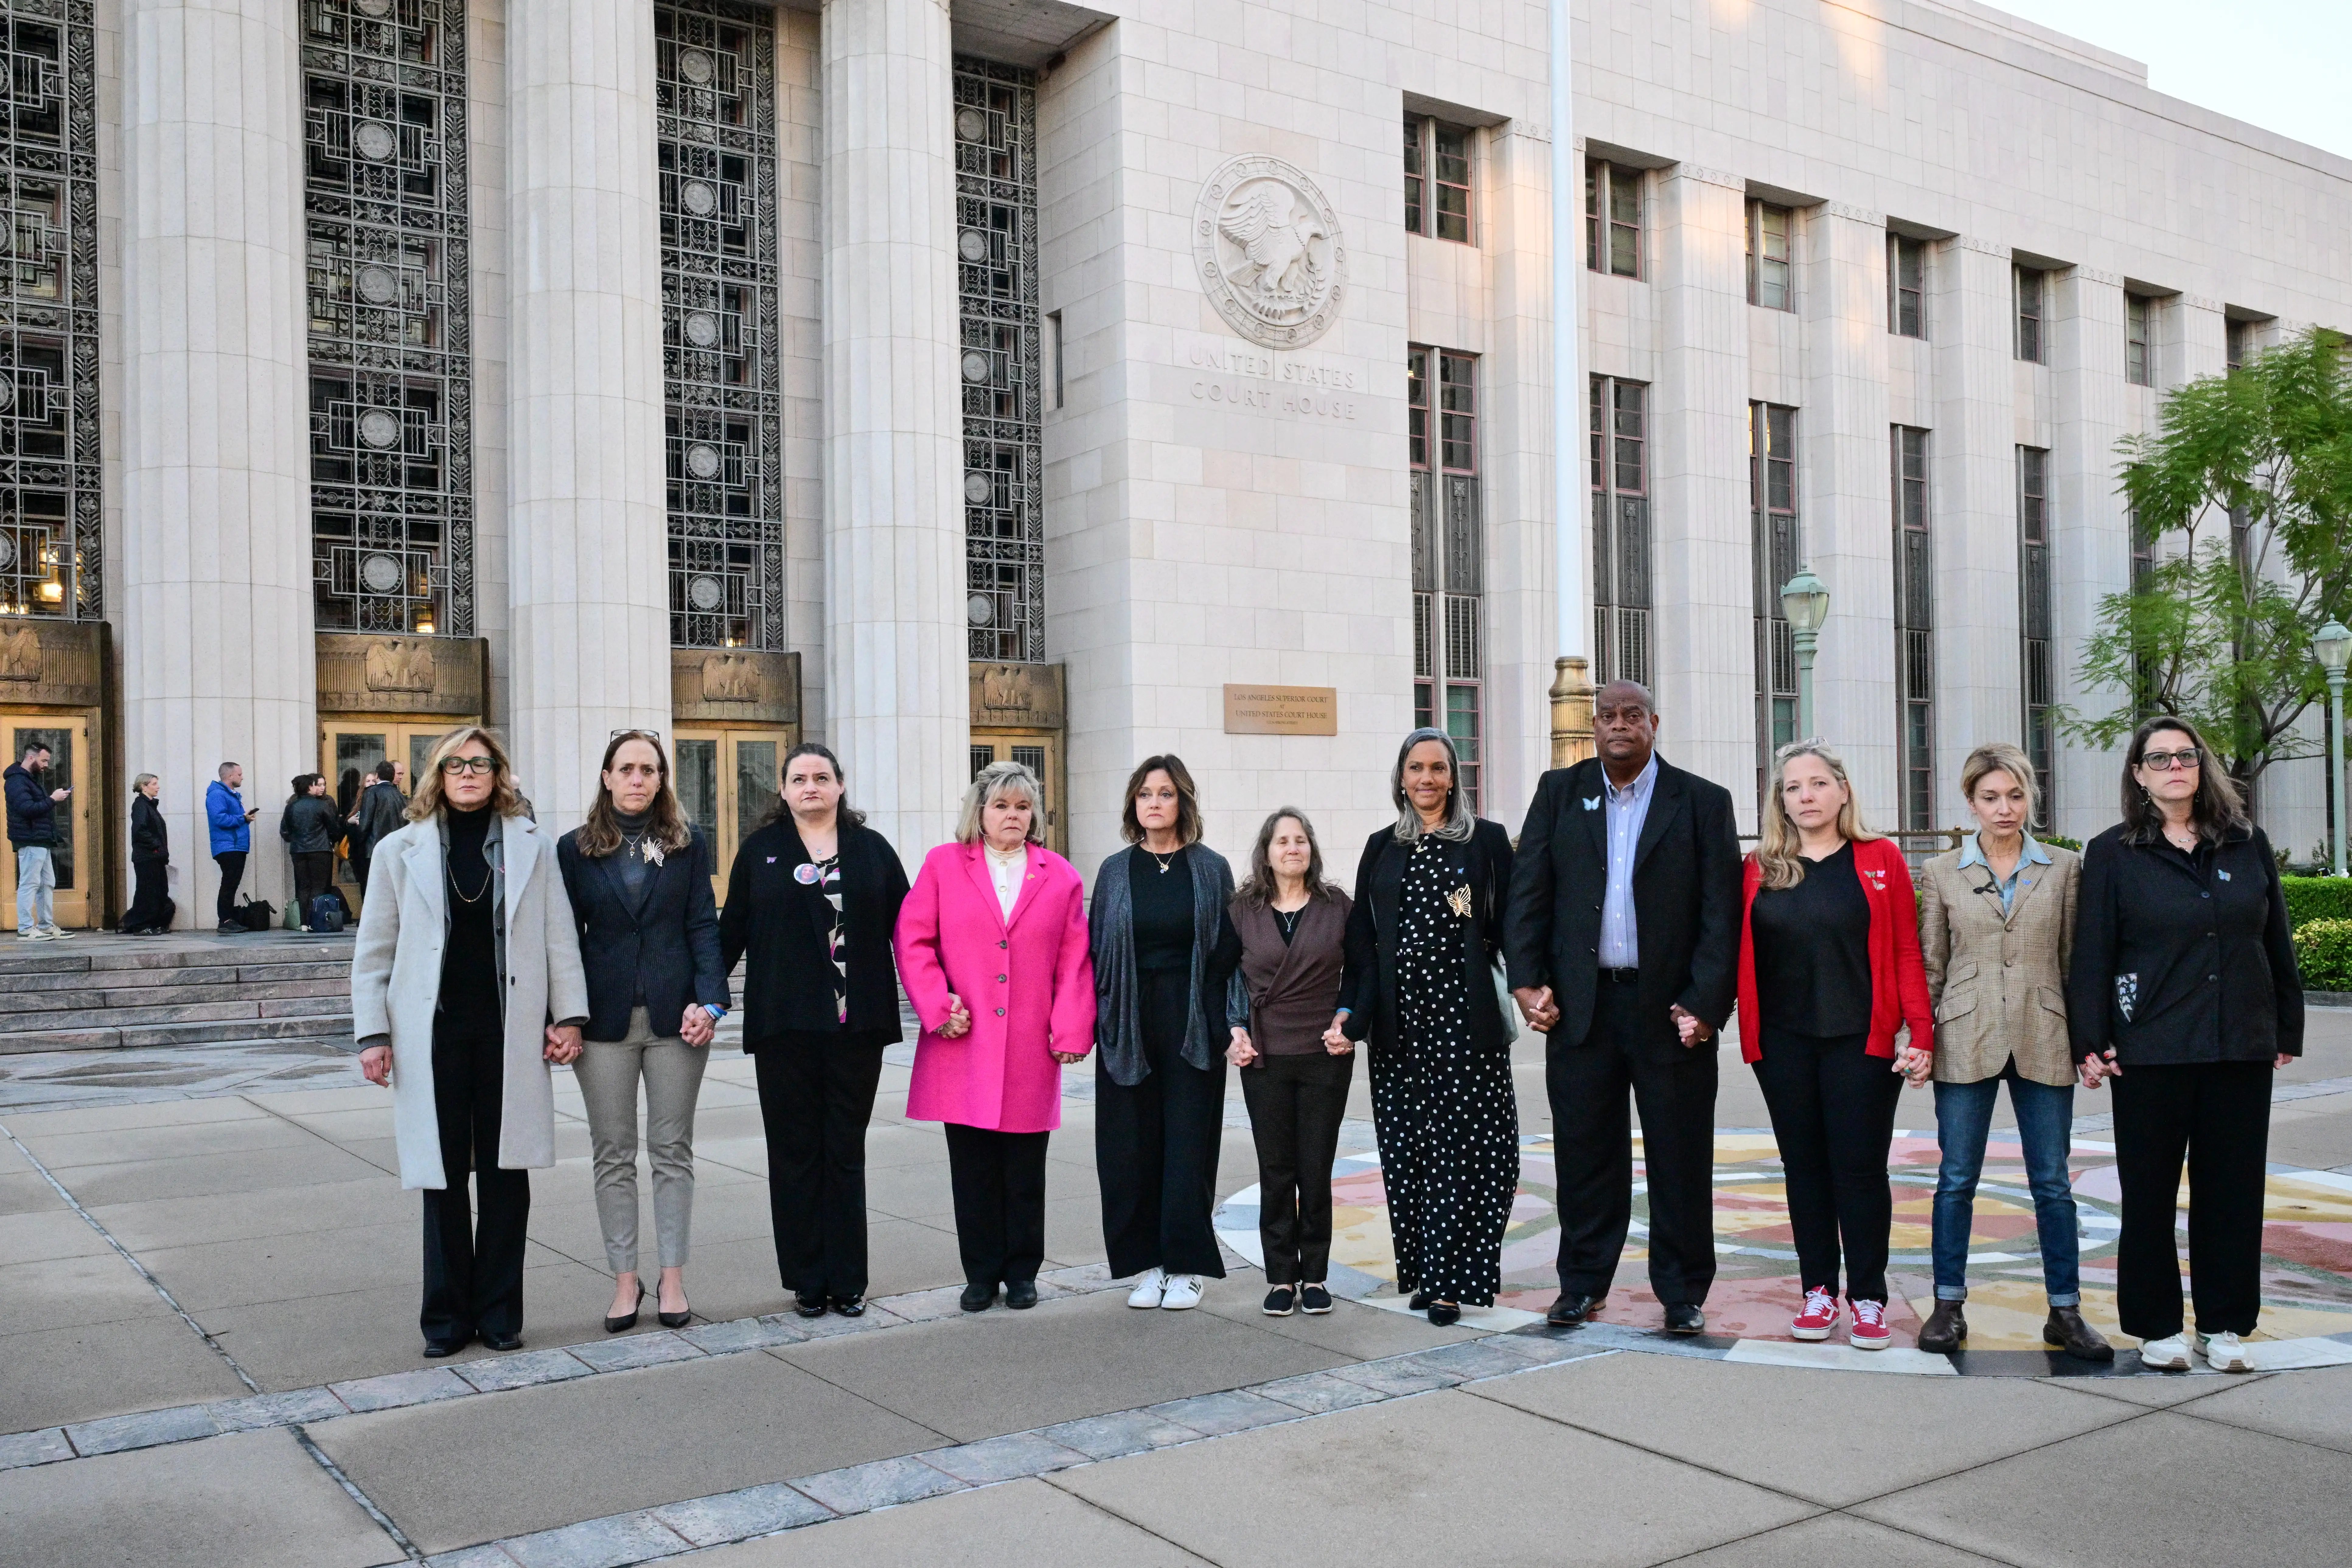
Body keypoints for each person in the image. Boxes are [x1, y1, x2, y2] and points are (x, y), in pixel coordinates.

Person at [1503, 679, 1741, 1334]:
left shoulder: (1700, 802)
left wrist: (1704, 1005)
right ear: (1593, 725)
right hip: (1583, 1012)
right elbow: (1528, 895)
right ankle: (1581, 1284)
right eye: (1606, 716)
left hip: (1671, 1016)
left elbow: (1722, 917)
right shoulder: (1559, 794)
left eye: (1631, 715)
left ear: (1653, 723)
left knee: (1679, 1156)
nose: (1619, 726)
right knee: (1584, 1156)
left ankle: (1682, 1291)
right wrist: (1525, 982)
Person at [2068, 717, 2301, 1374]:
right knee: (2147, 1192)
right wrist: (2090, 1039)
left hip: (2239, 1045)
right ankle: (2157, 1326)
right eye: (2158, 758)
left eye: (2185, 755)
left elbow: (2273, 938)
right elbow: (2092, 953)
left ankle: (2224, 1324)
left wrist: (2284, 1027)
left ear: (2202, 767)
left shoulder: (2244, 844)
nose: (2174, 766)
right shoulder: (2114, 852)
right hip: (2150, 1048)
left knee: (2230, 1190)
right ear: (2138, 776)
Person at [351, 727, 589, 1357]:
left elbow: (559, 938)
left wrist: (569, 1017)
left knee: (508, 1175)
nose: (468, 774)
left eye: (480, 764)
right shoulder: (397, 850)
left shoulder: (532, 848)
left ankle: (500, 1314)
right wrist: (372, 1032)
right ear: (438, 774)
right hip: (432, 1035)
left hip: (509, 1035)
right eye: (456, 764)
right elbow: (374, 950)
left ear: (498, 774)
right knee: (444, 1177)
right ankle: (447, 1320)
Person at [1737, 741, 1935, 1349]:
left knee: (1858, 1171)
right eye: (1793, 788)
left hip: (1861, 1041)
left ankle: (1868, 1297)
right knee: (1805, 1171)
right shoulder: (1759, 868)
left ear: (1842, 790)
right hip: (1782, 1044)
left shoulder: (1880, 860)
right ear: (1781, 802)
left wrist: (1920, 1031)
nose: (1807, 796)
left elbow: (1905, 949)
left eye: (1818, 783)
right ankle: (1817, 1291)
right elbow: (1735, 955)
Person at [1915, 743, 2107, 1360]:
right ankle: (1947, 1304)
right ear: (1970, 803)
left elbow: (2078, 962)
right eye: (1991, 797)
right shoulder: (1941, 873)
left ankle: (2065, 1310)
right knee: (1955, 1178)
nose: (2005, 808)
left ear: (2030, 798)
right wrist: (1917, 1041)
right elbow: (1930, 966)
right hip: (1964, 1036)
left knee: (2051, 1181)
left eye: (2015, 795)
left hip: (2043, 1032)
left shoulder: (2063, 868)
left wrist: (2088, 1044)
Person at [895, 760, 1095, 1313]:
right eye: (1003, 805)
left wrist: (1072, 1027)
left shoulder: (1060, 875)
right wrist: (938, 1007)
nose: (1013, 815)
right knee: (974, 1166)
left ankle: (1023, 1270)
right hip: (965, 1040)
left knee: (1025, 1166)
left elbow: (1075, 961)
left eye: (1023, 806)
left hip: (1031, 1044)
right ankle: (981, 1272)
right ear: (979, 812)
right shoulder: (942, 865)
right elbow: (914, 939)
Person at [720, 742, 909, 1318]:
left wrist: (943, 993)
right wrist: (702, 997)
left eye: (821, 777)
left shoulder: (873, 851)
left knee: (844, 1151)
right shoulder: (761, 852)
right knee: (795, 1152)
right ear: (782, 789)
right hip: (785, 1029)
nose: (810, 786)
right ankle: (807, 1277)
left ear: (840, 785)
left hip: (858, 1026)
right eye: (799, 778)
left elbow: (912, 928)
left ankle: (848, 1278)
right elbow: (730, 933)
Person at [1341, 727, 1517, 1325]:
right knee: (1408, 1154)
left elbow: (1506, 923)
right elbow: (1361, 942)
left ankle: (1451, 1281)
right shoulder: (1380, 847)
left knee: (1469, 1154)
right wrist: (1354, 1015)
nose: (1425, 780)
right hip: (1399, 1029)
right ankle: (1424, 1271)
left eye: (1437, 769)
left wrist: (1532, 985)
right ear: (1400, 777)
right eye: (1415, 768)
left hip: (1465, 1025)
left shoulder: (1484, 843)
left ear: (1453, 776)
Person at [559, 730, 729, 1333]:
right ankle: (625, 1279)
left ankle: (673, 1275)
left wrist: (711, 1003)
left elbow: (703, 928)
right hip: (601, 1024)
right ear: (606, 777)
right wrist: (563, 1016)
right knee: (612, 1154)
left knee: (671, 1150)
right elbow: (561, 939)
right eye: (626, 768)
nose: (638, 779)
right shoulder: (574, 850)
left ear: (661, 780)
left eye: (649, 770)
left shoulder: (684, 845)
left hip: (675, 1019)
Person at [1089, 755, 1243, 1312]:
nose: (1154, 802)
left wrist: (1231, 1020)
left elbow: (1230, 955)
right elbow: (1097, 953)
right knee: (1131, 1145)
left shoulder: (1210, 867)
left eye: (1166, 793)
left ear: (1184, 801)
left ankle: (1186, 1265)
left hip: (1193, 1016)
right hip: (1129, 1017)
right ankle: (1147, 1264)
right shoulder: (1114, 870)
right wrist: (1097, 1021)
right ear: (1134, 804)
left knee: (1187, 1142)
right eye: (1145, 794)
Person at [1205, 808, 1355, 1316]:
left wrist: (1346, 1019)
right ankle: (1280, 1277)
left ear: (1310, 849)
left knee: (1314, 1167)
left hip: (1324, 1052)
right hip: (1264, 1054)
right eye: (1282, 840)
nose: (1292, 848)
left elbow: (1362, 970)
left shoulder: (1337, 905)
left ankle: (1314, 1274)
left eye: (1300, 840)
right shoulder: (1242, 909)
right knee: (1276, 1167)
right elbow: (1220, 975)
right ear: (1266, 852)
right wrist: (1233, 1029)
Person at [6, 740, 70, 941]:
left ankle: (46, 926)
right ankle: (25, 929)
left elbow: (36, 809)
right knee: (30, 883)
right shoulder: (17, 781)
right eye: (44, 760)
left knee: (47, 883)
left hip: (40, 840)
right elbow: (27, 810)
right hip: (30, 839)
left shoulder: (29, 780)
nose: (46, 765)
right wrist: (53, 799)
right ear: (31, 758)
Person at [280, 773, 343, 925]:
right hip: (320, 850)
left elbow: (286, 829)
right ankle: (315, 921)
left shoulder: (291, 806)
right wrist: (332, 839)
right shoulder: (322, 805)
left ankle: (303, 923)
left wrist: (296, 840)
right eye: (316, 785)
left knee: (303, 886)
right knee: (319, 886)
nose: (319, 788)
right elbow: (334, 830)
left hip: (298, 851)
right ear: (310, 787)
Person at [207, 762, 258, 932]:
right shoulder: (217, 795)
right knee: (229, 884)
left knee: (232, 884)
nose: (242, 777)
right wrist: (243, 819)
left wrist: (244, 818)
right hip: (229, 847)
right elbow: (219, 819)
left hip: (236, 845)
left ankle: (228, 919)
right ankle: (225, 921)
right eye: (239, 774)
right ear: (230, 776)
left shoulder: (231, 795)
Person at [122, 774, 175, 934]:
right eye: (154, 784)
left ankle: (154, 923)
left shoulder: (150, 806)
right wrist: (156, 846)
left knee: (159, 891)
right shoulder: (140, 805)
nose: (158, 787)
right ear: (144, 787)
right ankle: (140, 925)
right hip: (147, 857)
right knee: (147, 891)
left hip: (155, 857)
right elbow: (140, 831)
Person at [350, 759, 408, 901]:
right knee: (392, 889)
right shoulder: (401, 796)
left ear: (377, 776)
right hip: (397, 849)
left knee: (373, 889)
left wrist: (358, 843)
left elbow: (365, 824)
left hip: (374, 848)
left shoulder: (372, 792)